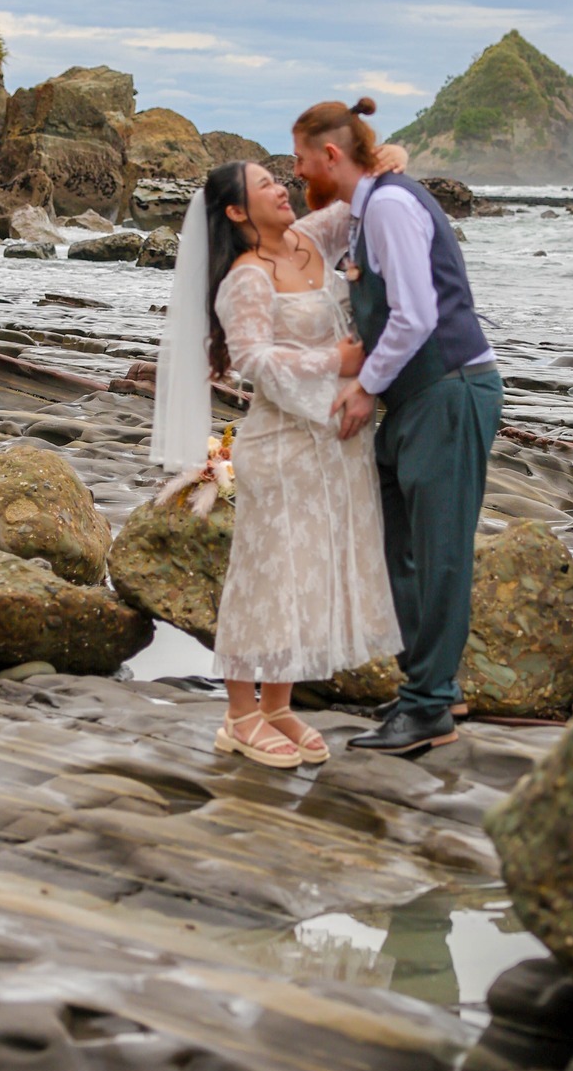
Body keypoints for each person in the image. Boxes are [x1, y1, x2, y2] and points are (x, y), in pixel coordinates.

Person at [150, 150, 407, 769]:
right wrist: (338, 366)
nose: (284, 189)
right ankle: (239, 715)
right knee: (265, 575)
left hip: (333, 442)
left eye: (280, 180)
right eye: (267, 186)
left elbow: (354, 207)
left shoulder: (310, 236)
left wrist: (385, 160)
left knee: (307, 574)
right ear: (238, 210)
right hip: (283, 443)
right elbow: (252, 360)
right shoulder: (246, 277)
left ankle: (277, 706)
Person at [292, 98, 503, 755]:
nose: (298, 173)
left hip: (449, 390)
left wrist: (363, 391)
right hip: (416, 402)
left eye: (301, 160)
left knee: (438, 554)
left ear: (331, 156)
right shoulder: (364, 212)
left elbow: (415, 314)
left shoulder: (386, 207)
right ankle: (430, 684)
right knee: (397, 543)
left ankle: (430, 708)